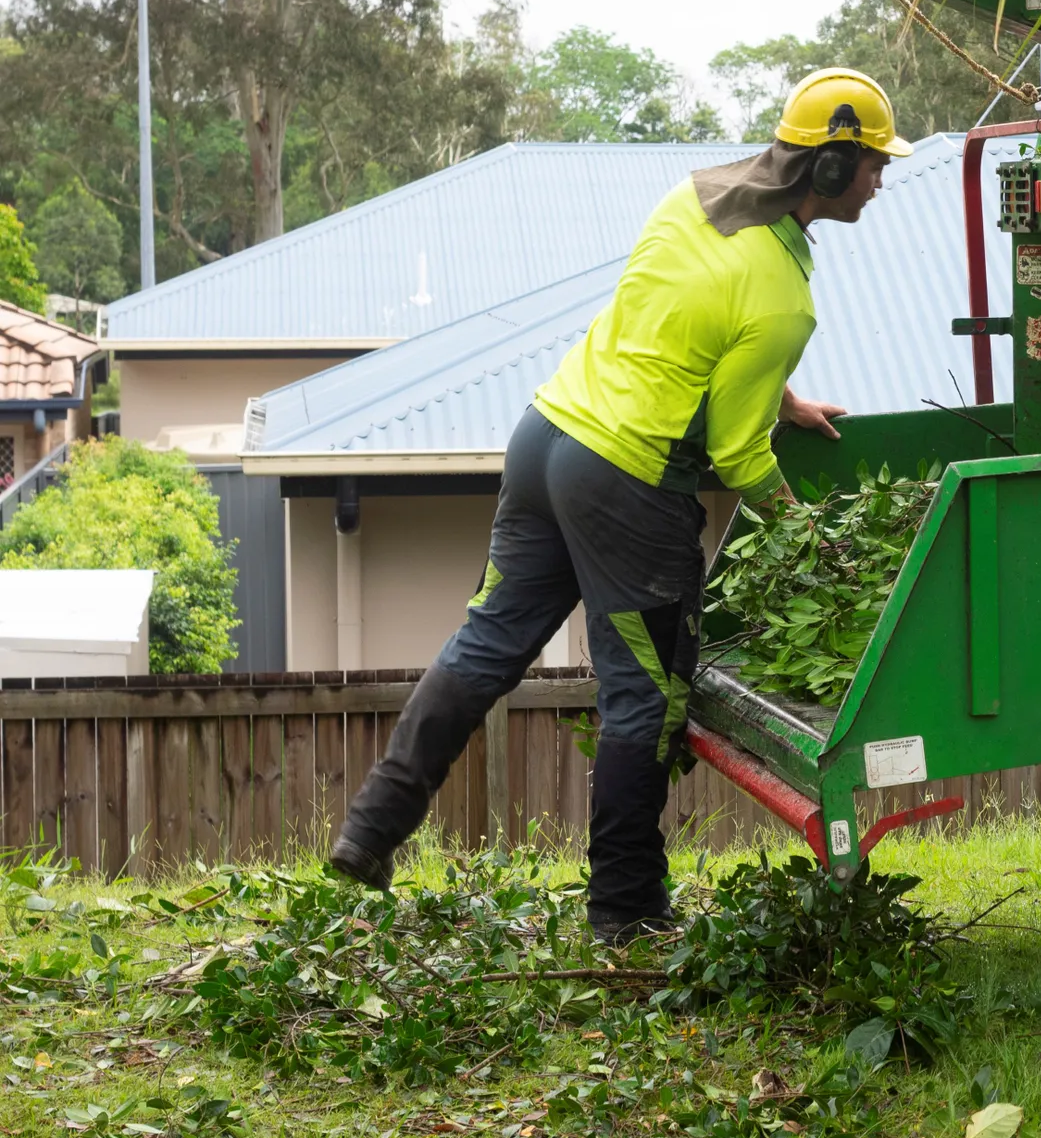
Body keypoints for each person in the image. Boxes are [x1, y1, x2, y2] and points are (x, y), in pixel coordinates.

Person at [326, 69, 914, 942]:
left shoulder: (696, 200)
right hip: (625, 482)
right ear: (827, 169)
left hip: (546, 435)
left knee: (486, 644)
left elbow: (691, 321)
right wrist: (809, 538)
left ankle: (368, 835)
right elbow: (735, 453)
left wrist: (783, 398)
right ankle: (627, 912)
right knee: (646, 697)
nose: (880, 179)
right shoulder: (786, 298)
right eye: (871, 163)